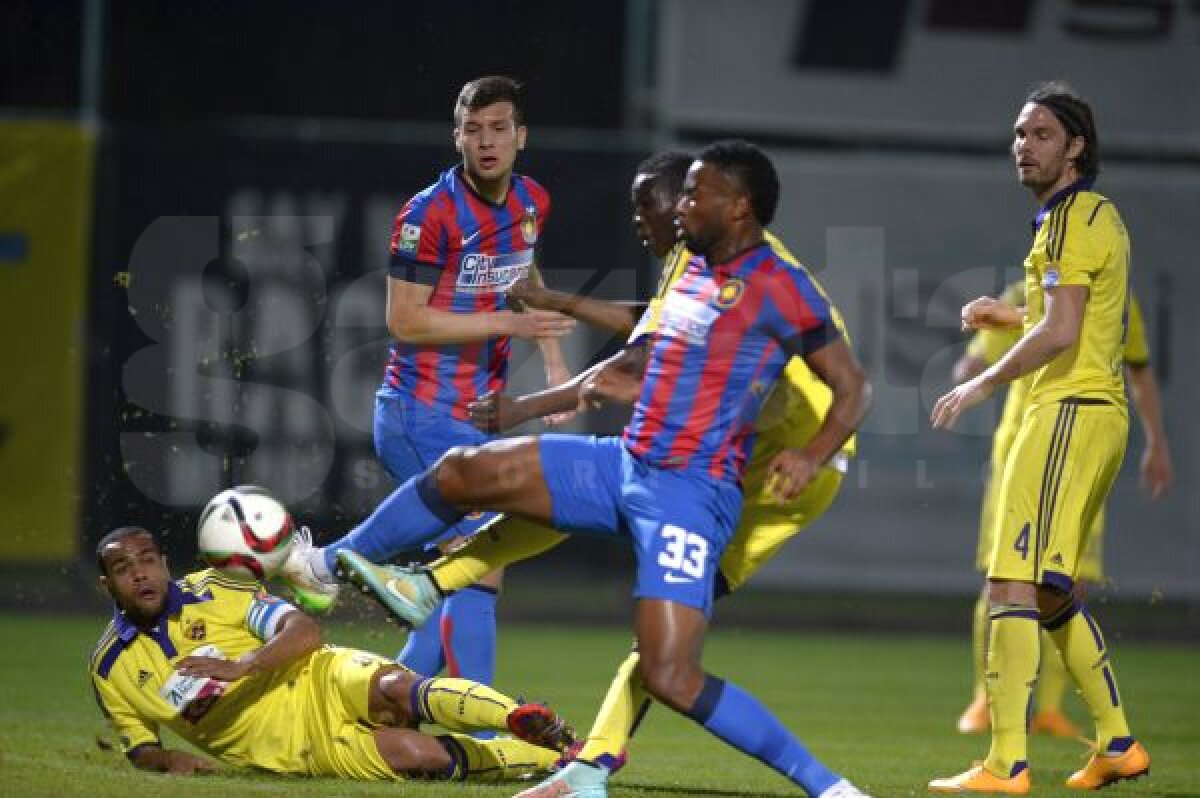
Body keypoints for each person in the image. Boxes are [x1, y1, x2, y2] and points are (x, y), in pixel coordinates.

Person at [298, 140, 874, 798]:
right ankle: (330, 566)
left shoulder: (779, 285)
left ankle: (830, 789)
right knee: (463, 472)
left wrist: (811, 454)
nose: (681, 206)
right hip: (624, 464)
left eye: (696, 194)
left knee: (670, 675)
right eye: (682, 192)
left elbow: (854, 387)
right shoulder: (691, 269)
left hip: (690, 494)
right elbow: (639, 353)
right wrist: (556, 393)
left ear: (739, 207)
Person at [283, 75, 575, 694]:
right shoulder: (428, 213)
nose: (487, 141)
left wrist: (553, 364)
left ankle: (388, 700)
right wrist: (507, 322)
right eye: (474, 130)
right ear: (457, 137)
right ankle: (478, 722)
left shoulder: (531, 202)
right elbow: (405, 321)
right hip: (418, 414)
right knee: (479, 563)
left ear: (521, 137)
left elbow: (524, 277)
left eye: (499, 128)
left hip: (474, 419)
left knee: (454, 576)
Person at [929, 82, 1151, 793]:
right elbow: (1076, 319)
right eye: (1020, 134)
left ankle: (1006, 763)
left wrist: (982, 383)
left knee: (1010, 581)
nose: (1024, 146)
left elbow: (1061, 332)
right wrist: (1009, 318)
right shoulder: (1095, 215)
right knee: (1051, 591)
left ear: (1076, 147)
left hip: (1067, 411)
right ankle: (1117, 743)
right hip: (1096, 414)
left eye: (1043, 134)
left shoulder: (1065, 220)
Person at [90, 526, 574, 781]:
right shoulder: (110, 668)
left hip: (319, 677)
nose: (140, 574)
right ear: (106, 584)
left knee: (397, 687)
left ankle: (526, 720)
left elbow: (303, 629)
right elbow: (140, 746)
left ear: (165, 563)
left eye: (147, 560)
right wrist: (166, 760)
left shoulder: (216, 588)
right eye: (123, 568)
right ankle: (545, 760)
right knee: (418, 754)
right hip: (292, 747)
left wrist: (244, 665)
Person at [952, 283, 1172, 738]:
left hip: (1080, 450)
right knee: (1002, 577)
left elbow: (1137, 369)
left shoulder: (1116, 299)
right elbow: (982, 353)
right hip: (1023, 448)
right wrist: (974, 369)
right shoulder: (1027, 291)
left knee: (1068, 581)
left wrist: (1157, 442)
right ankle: (987, 701)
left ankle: (1050, 709)